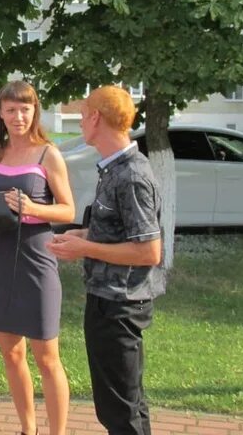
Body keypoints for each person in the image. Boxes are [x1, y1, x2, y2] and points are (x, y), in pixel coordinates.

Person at [46, 85, 165, 435]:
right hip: (106, 301)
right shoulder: (113, 169)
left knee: (121, 411)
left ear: (96, 118)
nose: (81, 124)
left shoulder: (131, 176)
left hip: (120, 306)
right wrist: (81, 237)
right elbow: (120, 233)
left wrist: (85, 249)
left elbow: (149, 251)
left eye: (83, 116)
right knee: (123, 405)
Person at [0, 80, 75, 435]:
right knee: (11, 353)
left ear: (35, 111)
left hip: (36, 260)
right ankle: (28, 429)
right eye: (11, 109)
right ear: (0, 113)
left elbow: (68, 210)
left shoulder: (47, 154)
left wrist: (33, 208)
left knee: (46, 356)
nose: (18, 116)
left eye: (25, 109)